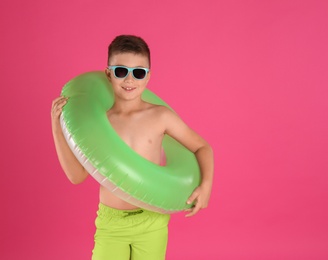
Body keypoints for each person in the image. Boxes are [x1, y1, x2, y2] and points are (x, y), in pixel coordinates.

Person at [51, 35, 214, 260]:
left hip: (152, 221)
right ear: (108, 74)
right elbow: (76, 176)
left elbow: (202, 147)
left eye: (138, 72)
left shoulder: (160, 116)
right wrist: (58, 128)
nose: (129, 79)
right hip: (112, 222)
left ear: (148, 77)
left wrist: (206, 186)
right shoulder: (100, 123)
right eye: (121, 71)